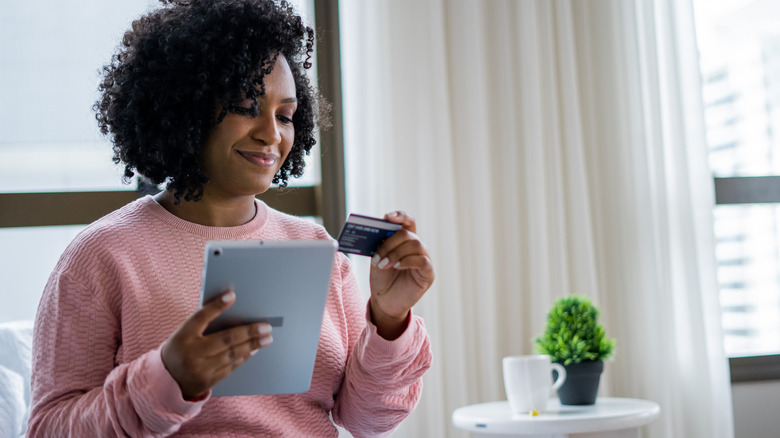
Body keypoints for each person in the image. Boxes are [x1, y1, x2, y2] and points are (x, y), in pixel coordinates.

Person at [27, 0, 434, 436]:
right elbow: (49, 428)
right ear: (185, 105)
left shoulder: (314, 249)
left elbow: (368, 419)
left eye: (286, 115)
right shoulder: (101, 256)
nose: (272, 135)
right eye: (244, 106)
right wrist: (166, 379)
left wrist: (389, 320)